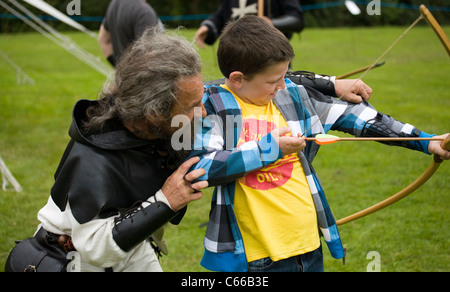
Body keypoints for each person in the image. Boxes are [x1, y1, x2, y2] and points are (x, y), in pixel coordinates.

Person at [187, 16, 449, 272]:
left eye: (284, 75)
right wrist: (269, 149)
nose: (282, 84)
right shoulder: (214, 108)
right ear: (237, 79)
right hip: (256, 258)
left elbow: (359, 117)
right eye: (272, 80)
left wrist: (427, 141)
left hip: (307, 246)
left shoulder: (292, 95)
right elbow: (202, 167)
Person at [7, 30, 208, 272]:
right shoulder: (94, 159)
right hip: (77, 258)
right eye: (192, 106)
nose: (203, 111)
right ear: (155, 113)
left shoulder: (155, 125)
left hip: (132, 247)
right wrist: (165, 202)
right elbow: (94, 248)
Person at [195, 0, 304, 48]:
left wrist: (271, 23)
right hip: (236, 56)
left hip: (270, 57)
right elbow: (222, 15)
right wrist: (208, 26)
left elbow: (296, 19)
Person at [98, 0, 163, 66]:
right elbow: (148, 56)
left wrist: (119, 68)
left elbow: (103, 39)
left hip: (123, 74)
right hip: (141, 74)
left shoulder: (114, 3)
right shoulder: (144, 13)